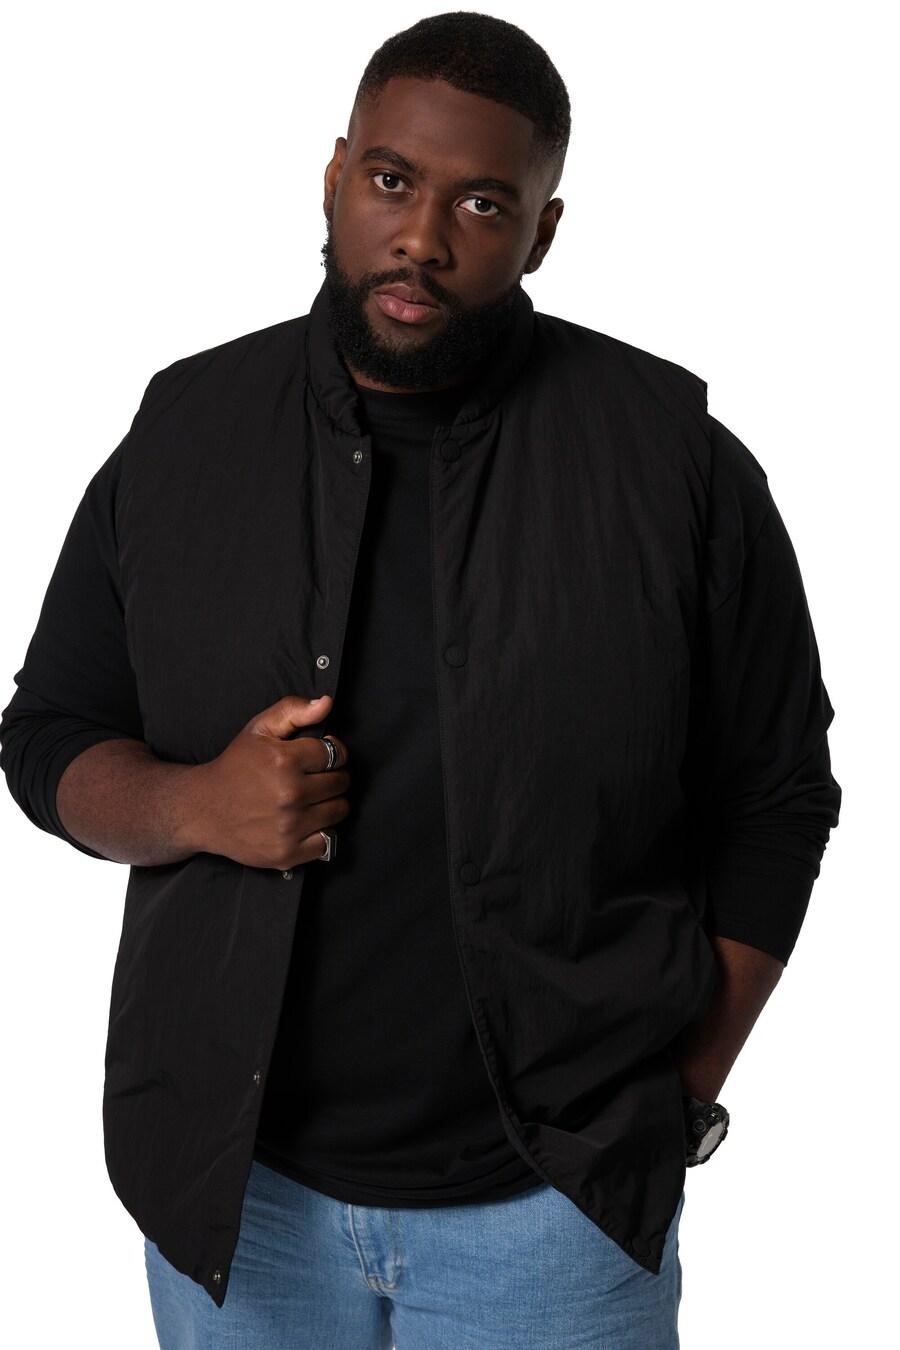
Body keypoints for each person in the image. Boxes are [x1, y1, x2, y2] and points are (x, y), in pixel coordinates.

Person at [0, 12, 842, 1349]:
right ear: (336, 174)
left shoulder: (677, 464)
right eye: (393, 181)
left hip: (555, 1213)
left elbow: (779, 796)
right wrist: (195, 806)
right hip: (237, 1204)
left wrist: (680, 1092)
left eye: (482, 204)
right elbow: (48, 735)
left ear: (542, 232)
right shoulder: (184, 430)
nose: (423, 240)